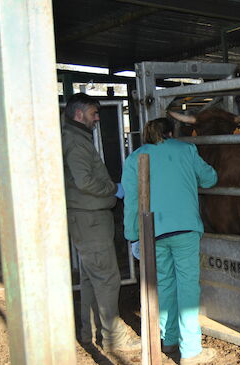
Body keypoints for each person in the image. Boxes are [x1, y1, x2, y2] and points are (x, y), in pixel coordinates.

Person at [122, 117, 218, 365]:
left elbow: (132, 201)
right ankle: (190, 351)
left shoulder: (134, 159)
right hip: (185, 229)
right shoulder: (186, 149)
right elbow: (209, 179)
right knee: (187, 286)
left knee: (164, 284)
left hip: (152, 231)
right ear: (172, 133)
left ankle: (169, 339)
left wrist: (133, 235)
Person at [62, 92, 140, 352]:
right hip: (90, 219)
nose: (97, 119)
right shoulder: (76, 142)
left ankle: (89, 332)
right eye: (94, 114)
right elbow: (84, 181)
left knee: (90, 278)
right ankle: (113, 338)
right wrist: (112, 188)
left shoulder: (75, 138)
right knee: (107, 278)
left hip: (86, 219)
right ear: (79, 114)